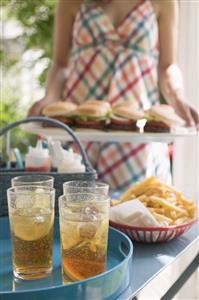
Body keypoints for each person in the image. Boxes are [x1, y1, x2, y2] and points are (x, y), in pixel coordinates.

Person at [28, 0, 199, 191]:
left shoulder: (163, 2)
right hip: (79, 129)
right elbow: (60, 65)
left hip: (135, 133)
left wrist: (177, 97)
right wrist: (49, 97)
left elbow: (167, 66)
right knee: (75, 206)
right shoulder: (70, 2)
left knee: (136, 208)